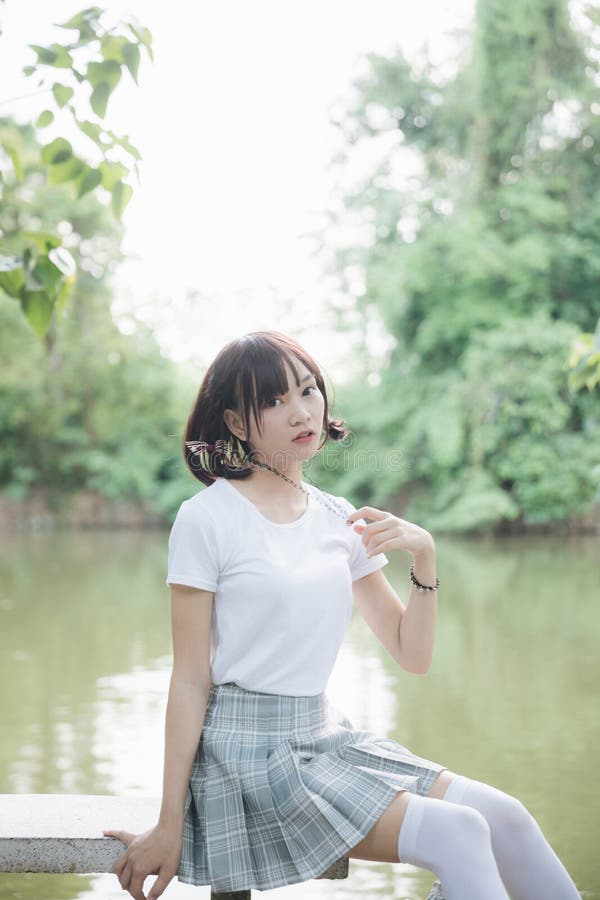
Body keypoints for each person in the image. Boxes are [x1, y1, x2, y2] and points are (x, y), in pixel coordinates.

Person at [103, 331, 581, 900]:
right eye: (274, 402)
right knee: (460, 833)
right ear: (234, 423)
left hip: (323, 737)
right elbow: (187, 679)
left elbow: (413, 654)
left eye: (308, 391)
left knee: (507, 816)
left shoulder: (338, 520)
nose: (301, 412)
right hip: (246, 757)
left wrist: (424, 555)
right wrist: (170, 820)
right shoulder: (207, 519)